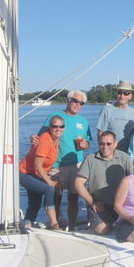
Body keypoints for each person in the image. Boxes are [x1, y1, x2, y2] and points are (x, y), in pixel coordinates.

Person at [32, 89, 92, 231]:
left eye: (81, 103)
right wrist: (32, 137)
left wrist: (86, 145)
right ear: (68, 100)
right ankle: (56, 225)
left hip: (76, 164)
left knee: (73, 198)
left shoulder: (83, 122)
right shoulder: (55, 116)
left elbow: (88, 142)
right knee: (56, 197)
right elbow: (40, 136)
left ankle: (72, 227)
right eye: (75, 101)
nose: (78, 104)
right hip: (56, 164)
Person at [74, 131, 133, 235]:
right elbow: (78, 183)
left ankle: (116, 224)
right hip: (100, 205)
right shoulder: (90, 159)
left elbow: (133, 180)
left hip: (120, 204)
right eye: (102, 143)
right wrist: (92, 202)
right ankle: (110, 224)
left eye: (109, 144)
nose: (105, 147)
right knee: (101, 229)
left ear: (115, 144)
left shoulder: (124, 158)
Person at [19, 115, 64, 229]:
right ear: (49, 127)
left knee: (35, 201)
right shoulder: (45, 140)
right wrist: (50, 182)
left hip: (35, 174)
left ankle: (28, 224)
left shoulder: (55, 139)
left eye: (61, 126)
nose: (58, 129)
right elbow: (37, 165)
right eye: (55, 126)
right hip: (25, 173)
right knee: (49, 189)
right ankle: (54, 224)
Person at [96, 80, 134, 152]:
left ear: (130, 96)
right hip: (110, 153)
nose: (122, 96)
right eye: (119, 92)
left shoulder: (133, 112)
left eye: (126, 93)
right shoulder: (107, 110)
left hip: (128, 154)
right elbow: (100, 133)